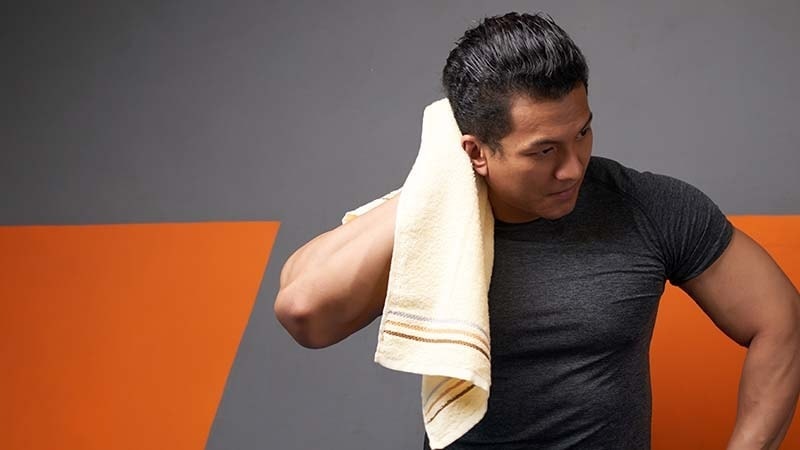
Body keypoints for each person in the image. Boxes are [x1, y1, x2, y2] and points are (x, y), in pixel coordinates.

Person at [274, 12, 800, 449]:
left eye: (583, 132)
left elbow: (781, 320)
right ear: (475, 152)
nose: (573, 168)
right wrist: (435, 179)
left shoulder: (648, 206)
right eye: (544, 150)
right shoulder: (434, 225)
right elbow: (304, 313)